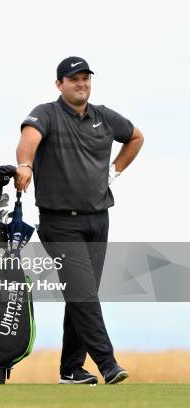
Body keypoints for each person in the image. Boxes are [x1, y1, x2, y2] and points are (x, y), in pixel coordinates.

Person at [15, 56, 144, 385]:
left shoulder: (103, 116)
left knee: (80, 294)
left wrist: (114, 171)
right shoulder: (47, 113)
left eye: (86, 78)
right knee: (84, 292)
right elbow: (29, 138)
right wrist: (26, 166)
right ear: (60, 84)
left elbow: (136, 137)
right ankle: (108, 363)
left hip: (98, 218)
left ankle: (71, 369)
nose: (82, 84)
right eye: (74, 79)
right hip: (59, 223)